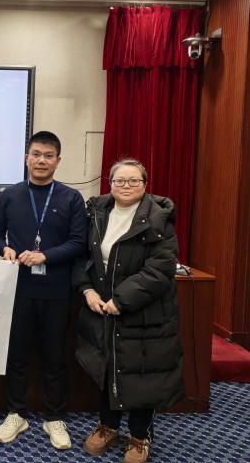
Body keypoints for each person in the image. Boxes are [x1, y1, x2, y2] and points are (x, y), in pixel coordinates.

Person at [72, 158, 184, 463]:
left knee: (143, 373)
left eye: (134, 180)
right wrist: (87, 289)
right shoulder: (97, 212)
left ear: (145, 184)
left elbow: (161, 268)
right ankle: (108, 427)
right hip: (102, 307)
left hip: (144, 311)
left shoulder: (159, 216)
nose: (126, 186)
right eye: (119, 180)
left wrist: (121, 299)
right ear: (109, 183)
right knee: (107, 367)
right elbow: (83, 257)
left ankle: (139, 436)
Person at [0, 130, 86, 450]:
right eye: (36, 154)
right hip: (17, 288)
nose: (41, 160)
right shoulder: (10, 195)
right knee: (16, 355)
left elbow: (79, 242)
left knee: (55, 356)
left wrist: (45, 256)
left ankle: (54, 417)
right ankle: (16, 413)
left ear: (58, 161)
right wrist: (4, 248)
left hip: (56, 290)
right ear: (26, 158)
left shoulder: (71, 198)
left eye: (48, 155)